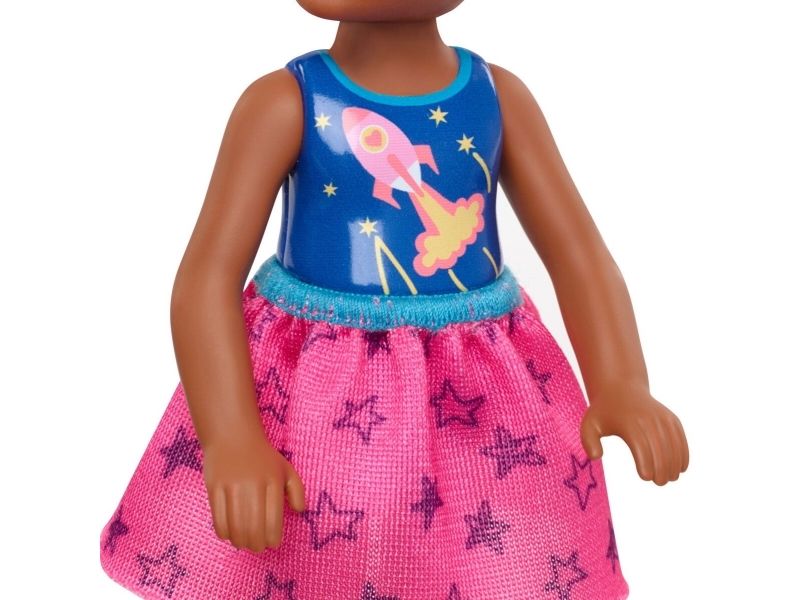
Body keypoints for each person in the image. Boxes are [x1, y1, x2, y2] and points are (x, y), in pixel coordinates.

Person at [100, 1, 689, 598]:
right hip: (313, 389)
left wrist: (622, 383)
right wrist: (229, 436)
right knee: (305, 558)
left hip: (477, 390)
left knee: (499, 560)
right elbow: (206, 277)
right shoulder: (286, 103)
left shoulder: (496, 99)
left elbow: (579, 253)